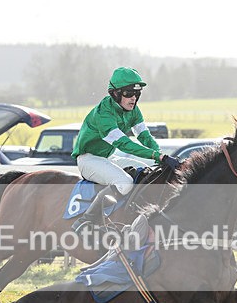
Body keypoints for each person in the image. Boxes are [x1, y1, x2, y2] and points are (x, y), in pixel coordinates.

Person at [70, 66, 180, 232]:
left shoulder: (134, 110)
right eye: (128, 93)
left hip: (107, 158)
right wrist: (158, 156)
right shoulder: (103, 114)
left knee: (145, 171)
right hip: (88, 160)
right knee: (125, 183)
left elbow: (144, 137)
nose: (133, 98)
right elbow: (124, 144)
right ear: (115, 93)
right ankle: (86, 221)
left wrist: (160, 155)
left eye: (137, 94)